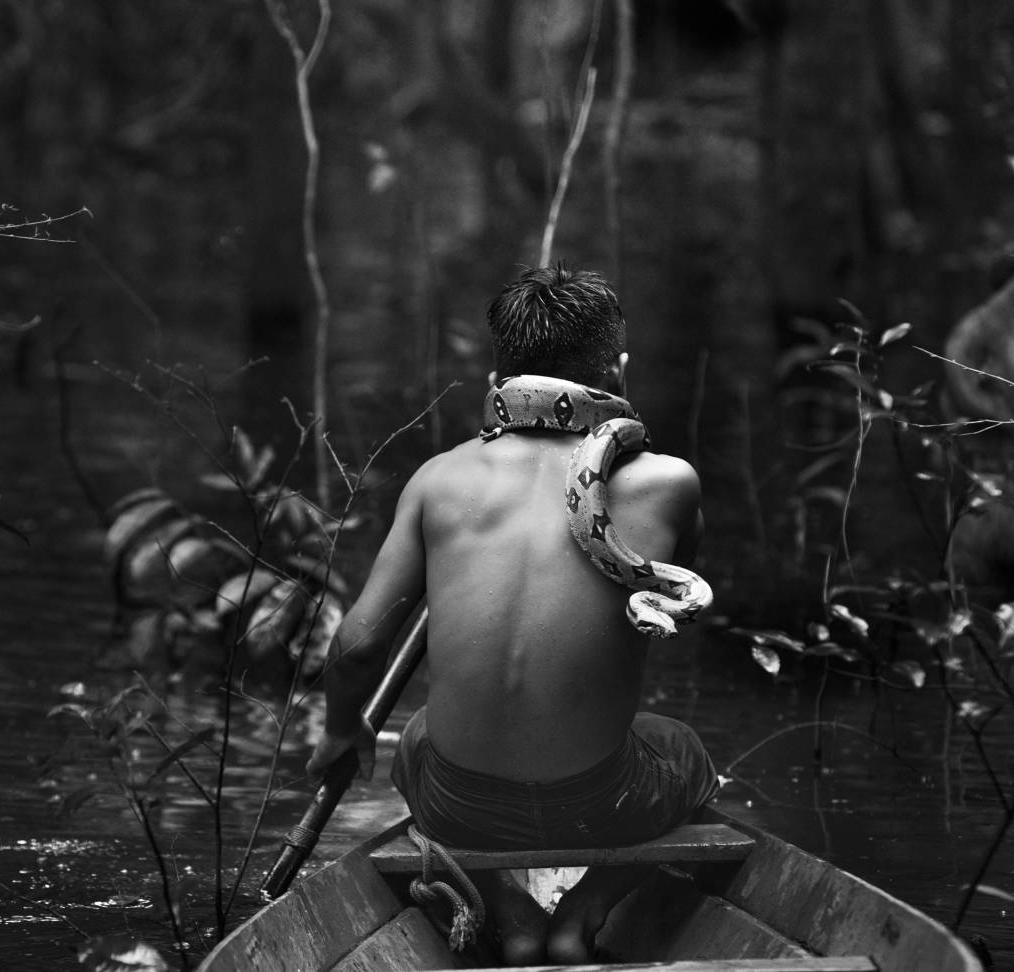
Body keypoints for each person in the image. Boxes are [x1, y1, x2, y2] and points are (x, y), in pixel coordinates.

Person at [305, 264, 719, 965]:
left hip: (457, 803)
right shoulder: (668, 483)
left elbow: (353, 648)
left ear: (497, 379)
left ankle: (509, 911)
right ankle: (583, 915)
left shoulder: (439, 479)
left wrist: (345, 730)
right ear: (616, 370)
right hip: (605, 798)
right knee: (684, 751)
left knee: (414, 740)